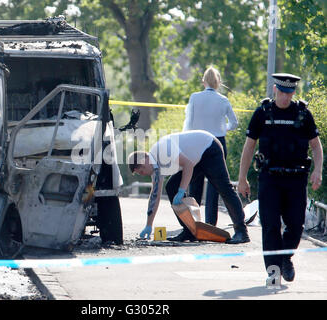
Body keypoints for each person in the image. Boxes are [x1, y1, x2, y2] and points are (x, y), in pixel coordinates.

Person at [237, 73, 323, 283]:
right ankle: (273, 271)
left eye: (290, 92)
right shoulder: (262, 113)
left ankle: (285, 257)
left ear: (294, 92)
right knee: (271, 226)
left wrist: (318, 170)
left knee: (296, 225)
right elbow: (249, 147)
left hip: (296, 180)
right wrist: (242, 178)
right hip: (270, 179)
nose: (285, 97)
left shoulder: (302, 114)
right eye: (282, 92)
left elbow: (316, 146)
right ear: (275, 90)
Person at [127, 130, 250, 244]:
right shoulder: (155, 171)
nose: (143, 173)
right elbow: (154, 196)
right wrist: (149, 225)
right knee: (171, 187)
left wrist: (181, 191)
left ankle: (241, 232)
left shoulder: (163, 150)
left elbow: (188, 165)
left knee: (224, 188)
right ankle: (189, 231)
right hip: (194, 159)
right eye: (140, 173)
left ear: (146, 158)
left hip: (209, 148)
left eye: (142, 169)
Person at [183, 66, 238, 226]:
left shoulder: (194, 97)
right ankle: (210, 224)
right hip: (218, 142)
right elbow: (234, 123)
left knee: (195, 183)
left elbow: (189, 122)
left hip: (197, 142)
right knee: (216, 185)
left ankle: (193, 223)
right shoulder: (223, 100)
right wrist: (223, 128)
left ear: (203, 81)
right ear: (218, 82)